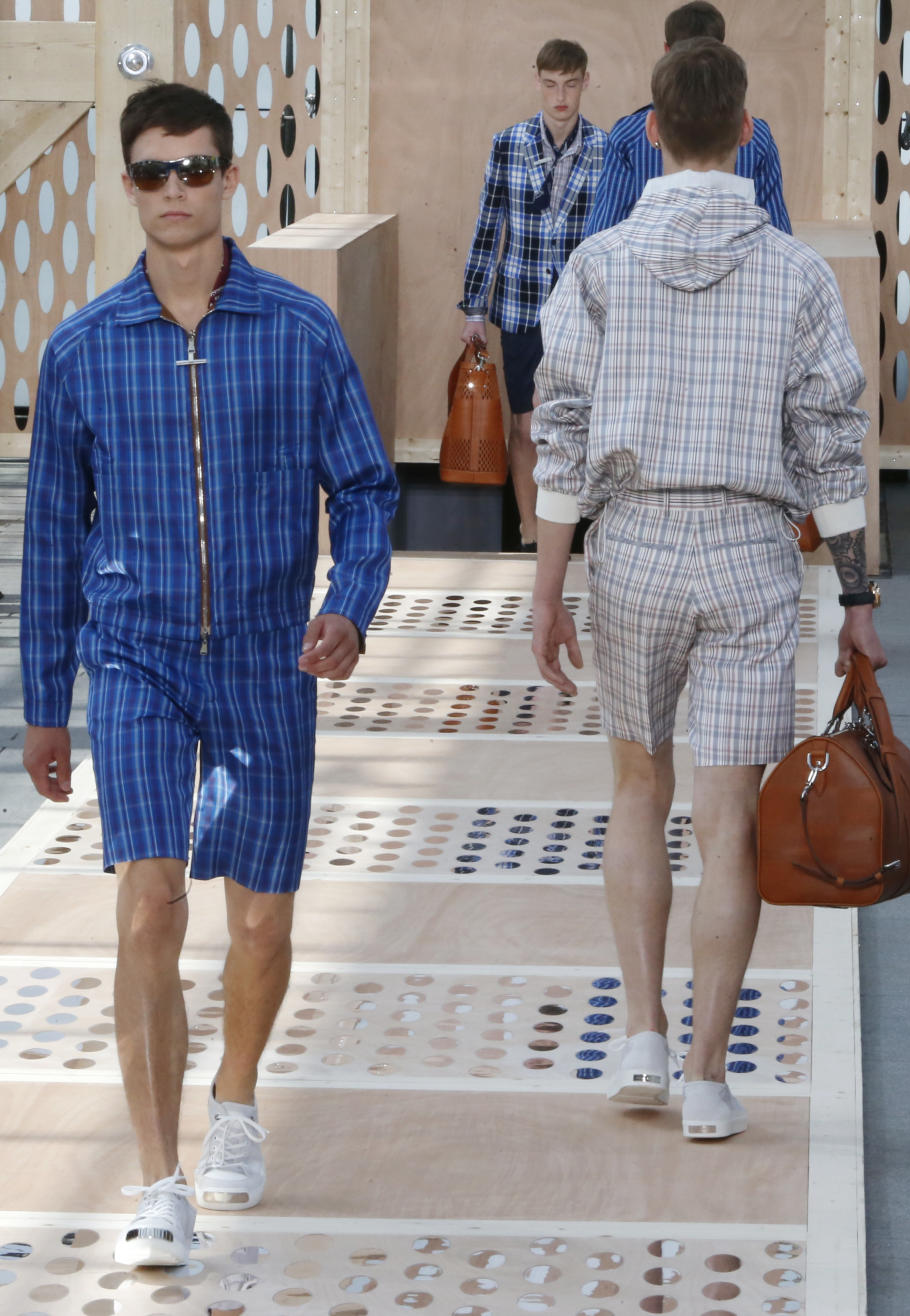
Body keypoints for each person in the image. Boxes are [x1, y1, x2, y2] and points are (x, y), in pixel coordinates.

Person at [20, 81, 398, 1263]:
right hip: (132, 656)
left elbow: (370, 489)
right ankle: (158, 1178)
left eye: (195, 168)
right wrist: (45, 706)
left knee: (263, 920)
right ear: (127, 186)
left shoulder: (299, 330)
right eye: (153, 172)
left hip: (264, 656)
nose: (175, 190)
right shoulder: (83, 348)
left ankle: (236, 1095)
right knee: (148, 900)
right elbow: (49, 540)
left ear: (233, 177)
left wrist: (349, 605)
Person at [531, 38, 885, 1140]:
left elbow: (561, 433)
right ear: (745, 132)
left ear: (648, 134)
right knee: (726, 820)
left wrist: (549, 587)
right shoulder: (796, 274)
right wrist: (861, 596)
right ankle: (706, 1077)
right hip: (747, 549)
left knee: (638, 791)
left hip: (631, 543)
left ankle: (638, 1033)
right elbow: (833, 447)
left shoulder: (598, 264)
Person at [459, 39, 606, 550]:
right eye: (550, 84)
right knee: (525, 425)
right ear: (537, 80)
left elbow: (615, 235)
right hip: (521, 304)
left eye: (570, 84)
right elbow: (488, 228)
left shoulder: (607, 149)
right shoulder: (509, 144)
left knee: (579, 423)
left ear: (586, 81)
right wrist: (474, 308)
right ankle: (529, 532)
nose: (560, 96)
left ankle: (575, 534)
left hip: (585, 313)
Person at [585, 1, 790, 236]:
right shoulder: (759, 136)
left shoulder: (629, 133)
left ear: (666, 52)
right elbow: (778, 232)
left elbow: (602, 233)